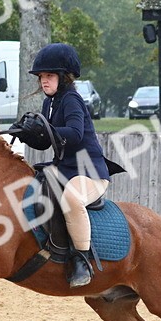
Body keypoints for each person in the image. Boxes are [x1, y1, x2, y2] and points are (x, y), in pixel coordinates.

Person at [15, 43, 112, 288]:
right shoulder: (50, 103)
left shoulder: (71, 100)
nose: (43, 81)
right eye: (41, 77)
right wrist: (28, 134)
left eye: (49, 76)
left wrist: (46, 129)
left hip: (89, 172)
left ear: (64, 77)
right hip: (64, 169)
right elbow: (45, 142)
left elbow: (75, 134)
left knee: (72, 199)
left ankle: (82, 260)